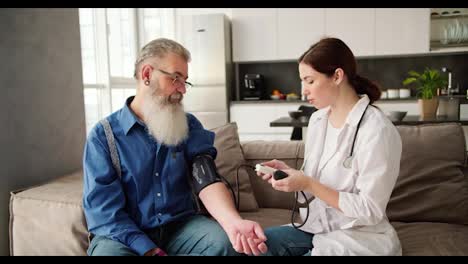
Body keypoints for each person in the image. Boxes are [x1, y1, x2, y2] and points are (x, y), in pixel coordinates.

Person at [83, 38, 268, 256]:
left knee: (223, 244)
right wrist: (148, 249)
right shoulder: (103, 136)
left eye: (185, 80)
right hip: (123, 234)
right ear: (146, 75)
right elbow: (104, 212)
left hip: (181, 227)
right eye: (175, 78)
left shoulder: (188, 125)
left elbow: (206, 178)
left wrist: (233, 222)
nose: (182, 89)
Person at [257, 37, 402, 256]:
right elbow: (310, 188)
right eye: (302, 81)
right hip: (317, 227)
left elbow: (370, 210)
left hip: (358, 236)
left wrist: (309, 183)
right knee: (258, 246)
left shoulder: (377, 130)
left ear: (337, 76)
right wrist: (292, 178)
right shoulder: (318, 120)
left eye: (310, 81)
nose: (303, 90)